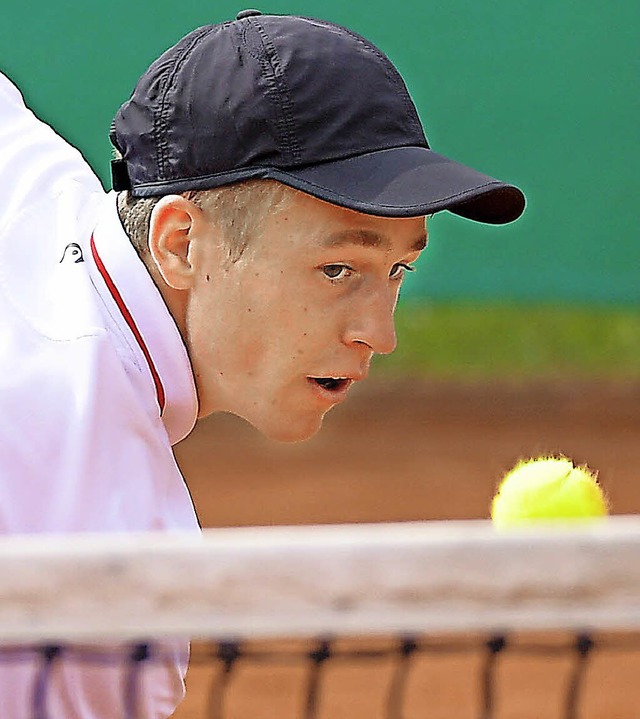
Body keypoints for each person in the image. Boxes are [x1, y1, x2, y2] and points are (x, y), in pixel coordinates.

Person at [0, 9, 525, 718]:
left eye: (396, 270)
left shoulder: (24, 167)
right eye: (338, 268)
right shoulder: (103, 560)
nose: (380, 333)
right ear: (182, 242)